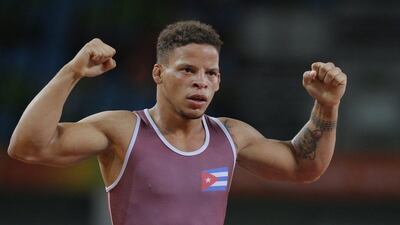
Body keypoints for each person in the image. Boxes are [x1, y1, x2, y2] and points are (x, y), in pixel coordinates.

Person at [8, 21, 347, 225]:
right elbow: (28, 146)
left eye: (210, 73)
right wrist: (72, 71)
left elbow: (305, 166)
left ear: (218, 82)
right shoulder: (123, 130)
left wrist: (326, 105)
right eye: (187, 70)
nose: (200, 81)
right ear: (159, 73)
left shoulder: (231, 136)